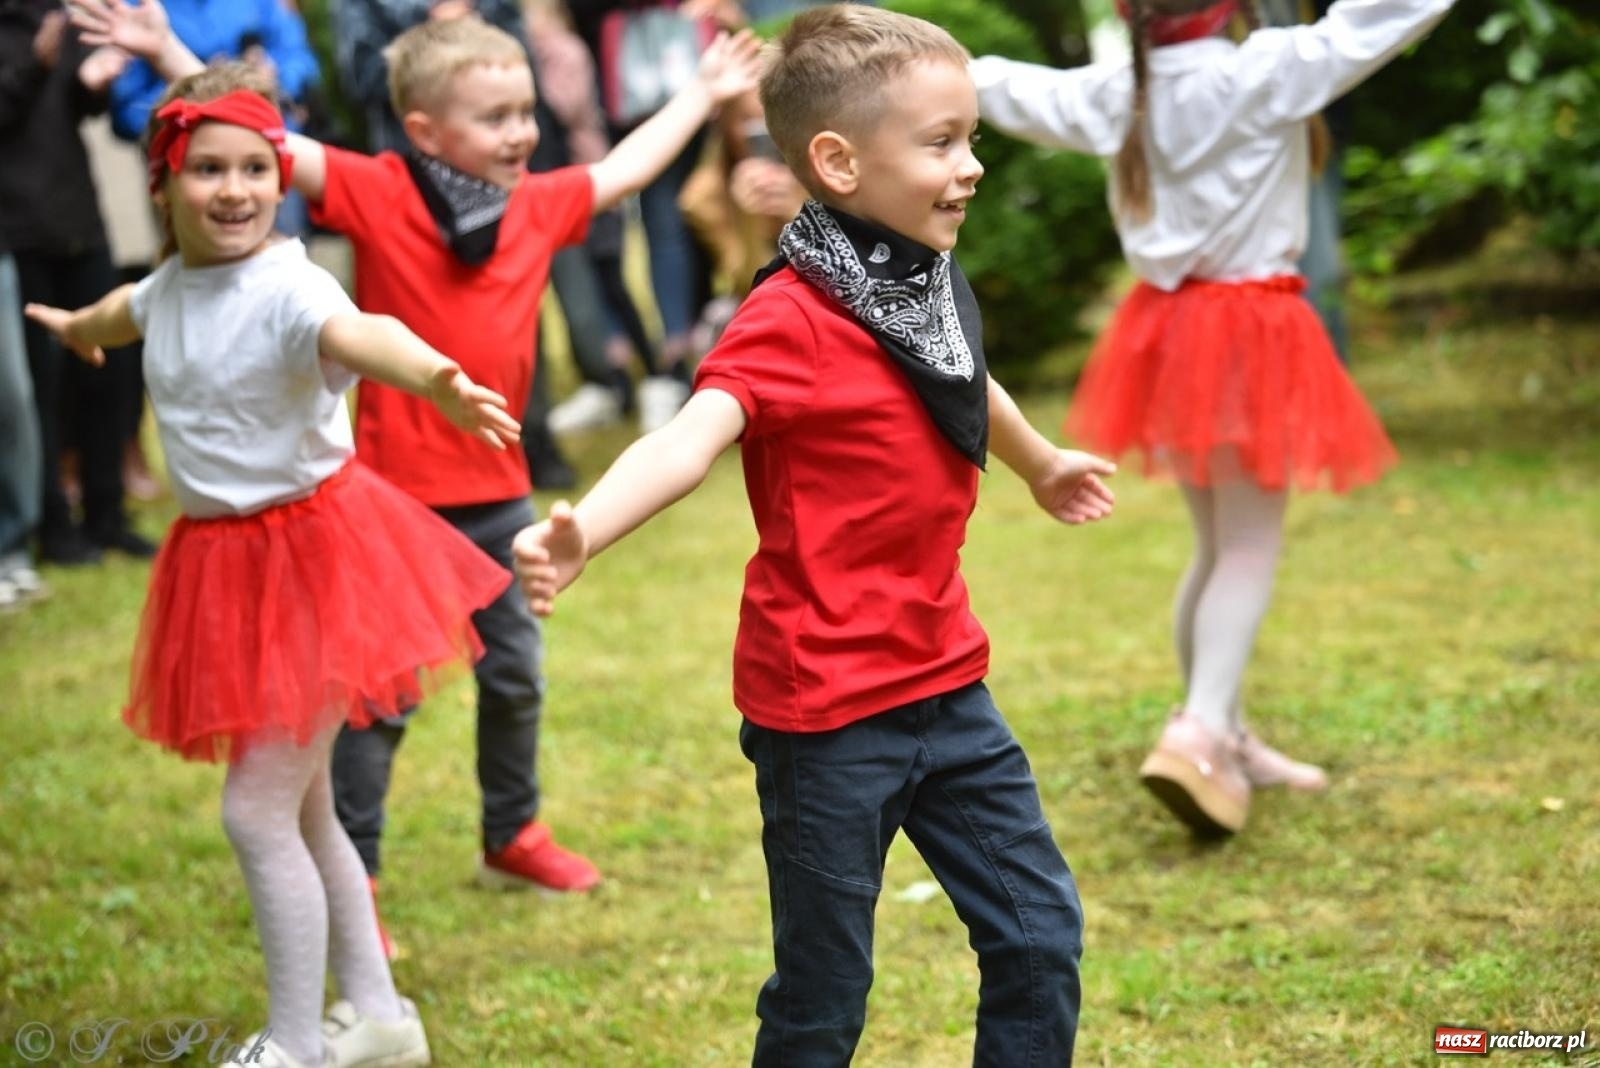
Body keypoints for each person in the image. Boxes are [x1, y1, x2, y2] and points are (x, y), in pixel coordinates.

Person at [67, 0, 762, 948]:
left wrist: (703, 90)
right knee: (373, 707)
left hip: (502, 500)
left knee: (515, 676)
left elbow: (625, 169)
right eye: (498, 116)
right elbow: (256, 140)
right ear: (426, 129)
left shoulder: (535, 203)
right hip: (388, 508)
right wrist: (163, 49)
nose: (523, 132)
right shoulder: (379, 189)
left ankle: (511, 832)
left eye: (526, 112)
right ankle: (360, 870)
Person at [513, 8, 1115, 1061]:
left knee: (1036, 935)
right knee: (824, 990)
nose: (969, 167)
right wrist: (583, 533)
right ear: (836, 162)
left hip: (946, 681)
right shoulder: (789, 316)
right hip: (827, 713)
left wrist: (1040, 462)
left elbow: (960, 375)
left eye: (969, 137)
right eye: (940, 144)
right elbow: (686, 443)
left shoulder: (915, 276)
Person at [25, 60, 522, 1068]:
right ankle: (379, 1017)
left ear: (279, 179)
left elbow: (360, 332)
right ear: (163, 183)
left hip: (314, 558)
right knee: (302, 805)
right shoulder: (168, 287)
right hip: (221, 567)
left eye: (257, 167)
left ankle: (297, 1040)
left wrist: (433, 376)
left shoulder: (291, 284)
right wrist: (74, 329)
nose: (237, 189)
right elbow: (124, 311)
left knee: (255, 812)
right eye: (209, 169)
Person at [969, 0, 1455, 836]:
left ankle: (1221, 727)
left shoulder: (1119, 89)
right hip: (1250, 329)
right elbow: (1393, 14)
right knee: (1250, 543)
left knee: (1216, 542)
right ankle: (1198, 731)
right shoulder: (1264, 69)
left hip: (1166, 331)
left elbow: (997, 85)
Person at [1, 0, 154, 566]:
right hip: (16, 232)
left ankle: (107, 514)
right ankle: (54, 528)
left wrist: (93, 83)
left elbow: (79, 110)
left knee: (108, 374)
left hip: (79, 222)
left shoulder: (59, 15)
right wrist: (36, 66)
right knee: (40, 390)